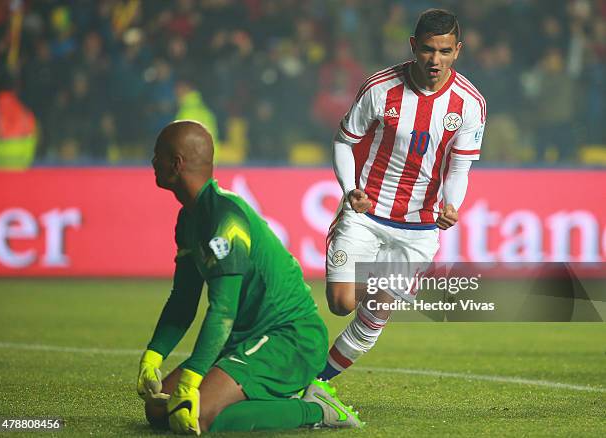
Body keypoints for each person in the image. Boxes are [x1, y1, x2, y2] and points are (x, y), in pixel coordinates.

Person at [137, 120, 362, 434]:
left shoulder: (225, 219)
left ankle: (315, 409)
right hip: (245, 341)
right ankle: (255, 396)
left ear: (176, 164)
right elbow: (183, 300)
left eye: (157, 155)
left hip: (289, 340)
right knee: (158, 409)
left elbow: (223, 311)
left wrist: (191, 379)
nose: (152, 162)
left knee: (197, 417)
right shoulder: (188, 219)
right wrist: (153, 354)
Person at [320, 9, 486, 380]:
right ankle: (386, 282)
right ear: (414, 46)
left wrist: (451, 204)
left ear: (458, 50)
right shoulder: (380, 88)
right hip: (368, 210)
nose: (435, 60)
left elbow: (459, 167)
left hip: (419, 224)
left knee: (376, 312)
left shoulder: (470, 104)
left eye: (444, 52)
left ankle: (316, 382)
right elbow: (343, 142)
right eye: (428, 50)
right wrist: (350, 192)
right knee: (341, 303)